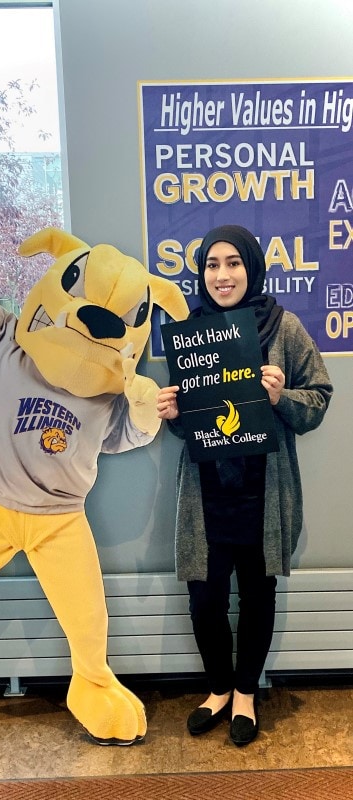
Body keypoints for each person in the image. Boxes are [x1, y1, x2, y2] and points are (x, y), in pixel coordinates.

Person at [157, 224, 333, 746]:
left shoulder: (285, 328)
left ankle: (245, 694)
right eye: (212, 264)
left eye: (233, 263)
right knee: (205, 600)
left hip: (263, 492)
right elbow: (195, 417)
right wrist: (172, 414)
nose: (222, 274)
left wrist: (282, 399)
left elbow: (319, 397)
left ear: (251, 267)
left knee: (258, 595)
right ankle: (216, 688)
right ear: (201, 272)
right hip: (207, 493)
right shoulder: (191, 332)